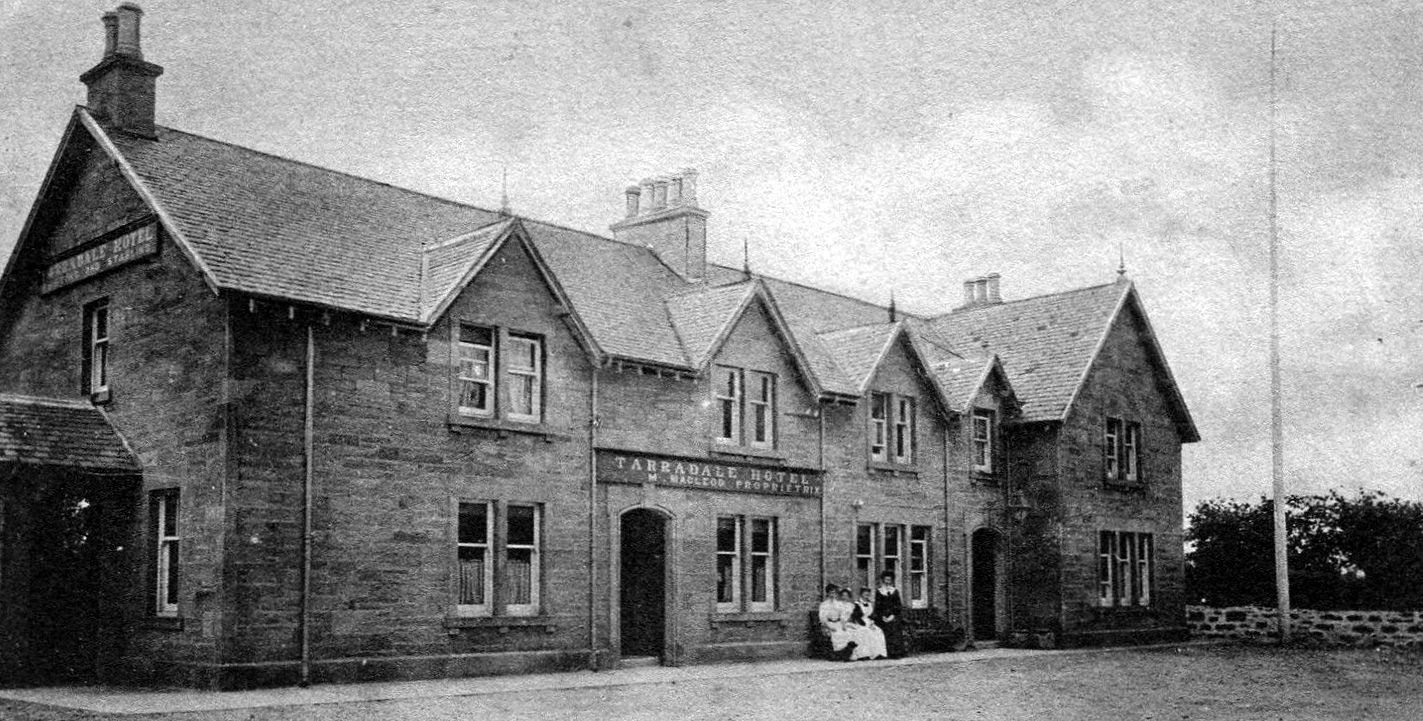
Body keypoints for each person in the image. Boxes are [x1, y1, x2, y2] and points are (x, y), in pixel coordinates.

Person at [872, 571, 908, 658]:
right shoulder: (879, 591)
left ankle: (896, 652)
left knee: (894, 626)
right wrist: (882, 616)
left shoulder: (895, 591)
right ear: (883, 580)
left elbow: (898, 606)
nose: (887, 582)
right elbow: (878, 606)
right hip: (882, 616)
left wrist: (892, 616)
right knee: (884, 627)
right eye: (886, 580)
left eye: (889, 580)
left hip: (893, 615)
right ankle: (886, 652)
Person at [817, 583, 856, 660]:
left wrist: (843, 625)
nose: (832, 595)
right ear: (828, 593)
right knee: (837, 633)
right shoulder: (824, 605)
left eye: (834, 593)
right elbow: (823, 618)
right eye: (831, 593)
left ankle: (847, 652)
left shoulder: (839, 604)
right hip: (829, 623)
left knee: (848, 631)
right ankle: (837, 653)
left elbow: (842, 615)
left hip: (838, 623)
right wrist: (829, 627)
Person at [848, 587, 888, 660]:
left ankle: (878, 653)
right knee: (866, 632)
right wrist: (865, 625)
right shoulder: (857, 604)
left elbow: (872, 615)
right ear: (861, 594)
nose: (867, 594)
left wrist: (872, 623)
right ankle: (864, 654)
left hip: (869, 622)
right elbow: (856, 617)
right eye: (865, 592)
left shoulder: (870, 603)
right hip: (860, 623)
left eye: (868, 593)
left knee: (879, 631)